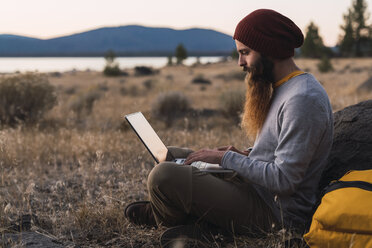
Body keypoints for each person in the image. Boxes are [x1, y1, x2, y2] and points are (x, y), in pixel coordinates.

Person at [125, 9, 333, 247]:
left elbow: (285, 180)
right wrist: (246, 154)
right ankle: (187, 220)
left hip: (275, 214)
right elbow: (280, 152)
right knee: (171, 156)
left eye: (245, 53)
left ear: (270, 49)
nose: (240, 63)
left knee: (164, 176)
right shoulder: (283, 88)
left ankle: (178, 221)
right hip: (255, 190)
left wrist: (226, 159)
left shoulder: (302, 99)